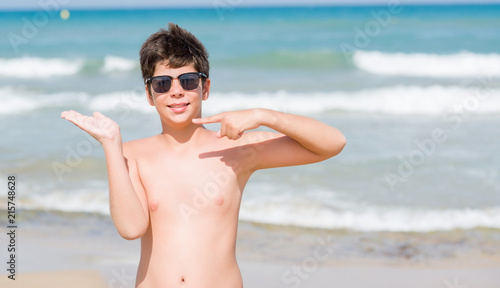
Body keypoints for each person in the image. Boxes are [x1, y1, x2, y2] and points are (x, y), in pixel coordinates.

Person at [61, 23, 346, 288]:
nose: (176, 92)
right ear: (149, 94)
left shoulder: (238, 149)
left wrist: (264, 115)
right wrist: (111, 144)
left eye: (187, 80)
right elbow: (131, 228)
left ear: (204, 87)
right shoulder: (131, 154)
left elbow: (332, 143)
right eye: (162, 83)